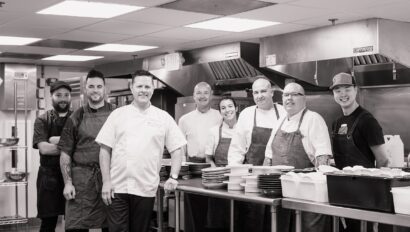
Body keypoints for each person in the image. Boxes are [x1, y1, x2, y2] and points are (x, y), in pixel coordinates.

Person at [95, 70, 186, 232]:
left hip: (146, 187)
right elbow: (104, 149)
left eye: (147, 86)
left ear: (152, 89)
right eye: (139, 86)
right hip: (118, 187)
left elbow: (177, 148)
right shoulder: (118, 115)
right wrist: (106, 181)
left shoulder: (163, 117)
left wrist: (173, 176)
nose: (143, 90)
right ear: (132, 88)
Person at [264, 82, 332, 232]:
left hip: (306, 195)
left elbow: (323, 159)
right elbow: (268, 158)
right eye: (286, 95)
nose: (289, 98)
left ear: (304, 99)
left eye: (295, 94)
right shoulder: (279, 121)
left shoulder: (314, 119)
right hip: (280, 193)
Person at [330, 72, 391, 232]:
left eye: (347, 89)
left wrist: (374, 194)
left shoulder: (367, 121)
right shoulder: (336, 123)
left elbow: (383, 160)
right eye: (338, 90)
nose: (343, 94)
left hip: (366, 195)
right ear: (333, 94)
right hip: (343, 192)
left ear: (356, 90)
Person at [227, 78, 285, 232]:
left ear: (272, 92)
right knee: (252, 218)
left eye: (263, 91)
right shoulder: (247, 114)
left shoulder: (284, 112)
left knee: (276, 218)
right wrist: (235, 178)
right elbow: (236, 148)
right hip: (252, 178)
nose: (259, 95)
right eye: (256, 92)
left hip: (276, 177)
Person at [58, 70, 113, 231]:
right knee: (76, 226)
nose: (95, 90)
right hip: (81, 182)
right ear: (85, 89)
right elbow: (65, 153)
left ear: (104, 89)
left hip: (109, 179)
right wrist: (67, 183)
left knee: (111, 225)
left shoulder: (116, 114)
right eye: (91, 86)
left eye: (99, 86)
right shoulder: (76, 117)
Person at [178, 82, 222, 232]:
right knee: (194, 206)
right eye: (199, 93)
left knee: (215, 208)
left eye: (206, 93)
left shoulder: (219, 116)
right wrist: (182, 170)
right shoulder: (184, 119)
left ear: (211, 95)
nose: (202, 96)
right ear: (194, 96)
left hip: (214, 166)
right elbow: (181, 147)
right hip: (192, 165)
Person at [33, 80, 72, 232]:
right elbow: (44, 149)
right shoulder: (42, 120)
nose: (63, 98)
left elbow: (84, 146)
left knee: (75, 223)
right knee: (48, 223)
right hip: (49, 178)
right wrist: (70, 146)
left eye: (66, 95)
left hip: (72, 176)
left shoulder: (77, 118)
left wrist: (54, 140)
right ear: (51, 97)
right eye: (58, 95)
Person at [204, 97, 238, 232]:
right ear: (220, 112)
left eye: (230, 106)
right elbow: (208, 158)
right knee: (218, 218)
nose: (227, 110)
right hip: (219, 181)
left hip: (238, 180)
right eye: (223, 108)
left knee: (238, 216)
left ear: (236, 108)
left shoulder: (243, 129)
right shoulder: (214, 131)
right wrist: (216, 174)